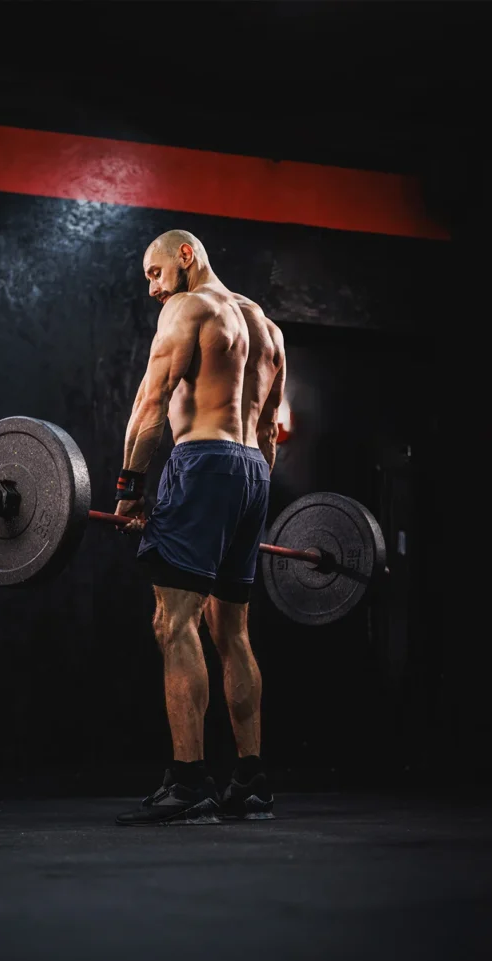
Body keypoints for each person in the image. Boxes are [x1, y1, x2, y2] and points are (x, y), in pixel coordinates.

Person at [114, 230, 285, 826]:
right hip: (253, 475)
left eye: (155, 273)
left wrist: (130, 489)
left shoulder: (192, 307)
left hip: (202, 463)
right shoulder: (265, 326)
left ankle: (189, 783)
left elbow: (150, 402)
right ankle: (252, 780)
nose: (154, 289)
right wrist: (249, 499)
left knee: (173, 620)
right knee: (230, 631)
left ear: (186, 255)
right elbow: (267, 433)